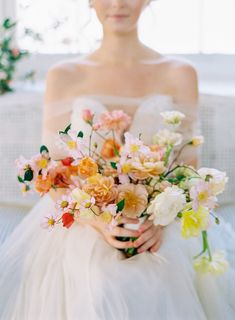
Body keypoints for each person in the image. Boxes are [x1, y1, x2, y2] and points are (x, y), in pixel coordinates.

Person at [0, 0, 234, 319]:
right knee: (98, 283)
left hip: (159, 219)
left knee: (159, 278)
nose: (117, 3)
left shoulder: (180, 73)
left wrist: (160, 220)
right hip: (83, 217)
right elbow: (51, 173)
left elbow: (189, 170)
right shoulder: (64, 75)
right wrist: (97, 221)